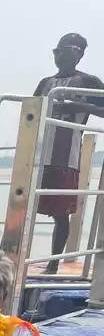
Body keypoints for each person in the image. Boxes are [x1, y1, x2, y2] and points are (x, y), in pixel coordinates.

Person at [33, 33, 104, 274]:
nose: (60, 55)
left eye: (66, 50)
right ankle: (14, 252)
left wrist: (80, 106)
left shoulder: (88, 82)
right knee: (26, 204)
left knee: (61, 212)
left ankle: (53, 263)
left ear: (79, 54)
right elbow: (31, 113)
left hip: (67, 155)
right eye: (57, 50)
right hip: (40, 155)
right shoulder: (45, 83)